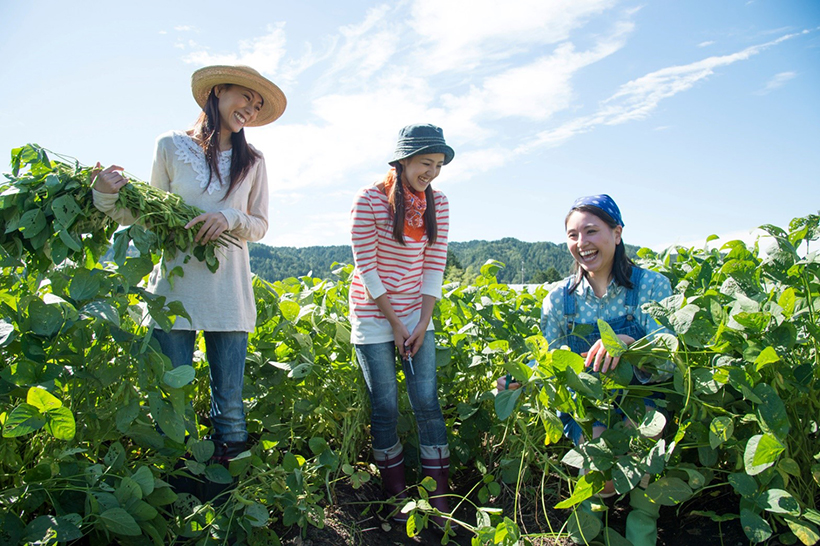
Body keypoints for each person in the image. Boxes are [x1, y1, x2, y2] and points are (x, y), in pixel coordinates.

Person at [92, 65, 286, 464]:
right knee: (172, 401)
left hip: (228, 293)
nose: (250, 109)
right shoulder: (170, 145)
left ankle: (230, 491)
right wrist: (104, 194)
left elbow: (261, 224)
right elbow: (146, 215)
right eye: (245, 97)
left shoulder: (254, 160)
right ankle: (179, 491)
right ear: (217, 91)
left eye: (257, 105)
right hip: (174, 293)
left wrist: (229, 217)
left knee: (230, 403)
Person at [497, 194, 673, 546]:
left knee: (644, 450)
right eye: (573, 235)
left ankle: (642, 526)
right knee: (598, 464)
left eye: (591, 232)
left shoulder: (650, 286)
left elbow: (668, 359)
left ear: (617, 233)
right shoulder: (560, 298)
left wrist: (628, 343)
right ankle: (589, 523)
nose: (582, 243)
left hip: (642, 397)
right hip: (588, 404)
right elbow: (549, 357)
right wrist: (521, 378)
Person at [349, 124, 454, 527]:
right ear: (403, 159)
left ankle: (439, 497)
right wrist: (395, 323)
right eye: (425, 163)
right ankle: (396, 495)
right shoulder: (370, 200)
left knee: (427, 401)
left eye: (439, 165)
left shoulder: (438, 203)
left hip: (416, 312)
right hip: (375, 313)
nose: (432, 172)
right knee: (386, 404)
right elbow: (368, 268)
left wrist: (422, 321)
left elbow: (434, 263)